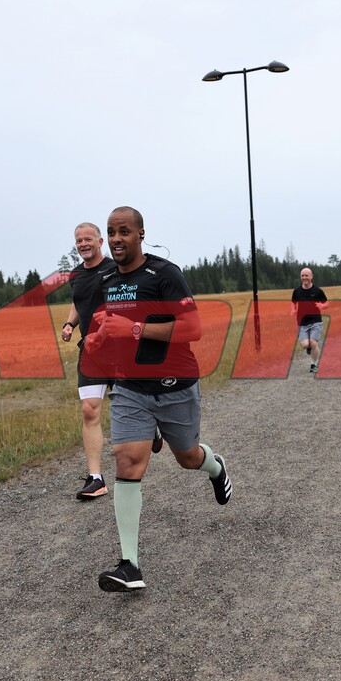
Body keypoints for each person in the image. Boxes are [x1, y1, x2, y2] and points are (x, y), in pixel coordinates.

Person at [84, 206, 231, 593]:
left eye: (124, 232)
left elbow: (193, 328)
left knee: (187, 457)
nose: (116, 239)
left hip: (175, 384)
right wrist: (101, 337)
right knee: (128, 461)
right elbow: (109, 322)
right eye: (111, 232)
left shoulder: (164, 274)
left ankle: (215, 467)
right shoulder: (108, 280)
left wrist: (133, 328)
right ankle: (129, 565)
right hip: (131, 387)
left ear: (141, 234)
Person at [60, 223, 116, 500]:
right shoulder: (77, 274)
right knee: (89, 411)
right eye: (79, 240)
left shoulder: (115, 269)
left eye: (88, 239)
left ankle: (151, 428)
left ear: (100, 241)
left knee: (135, 403)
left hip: (121, 349)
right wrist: (70, 324)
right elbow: (77, 300)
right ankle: (96, 478)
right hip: (91, 351)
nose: (83, 244)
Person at [291, 267, 328, 373]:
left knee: (313, 342)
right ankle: (309, 347)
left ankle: (314, 365)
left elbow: (326, 303)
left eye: (306, 275)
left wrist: (322, 306)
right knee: (305, 345)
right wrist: (293, 310)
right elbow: (293, 302)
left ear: (311, 276)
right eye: (302, 276)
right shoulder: (297, 291)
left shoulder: (318, 291)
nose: (304, 277)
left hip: (316, 321)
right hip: (302, 323)